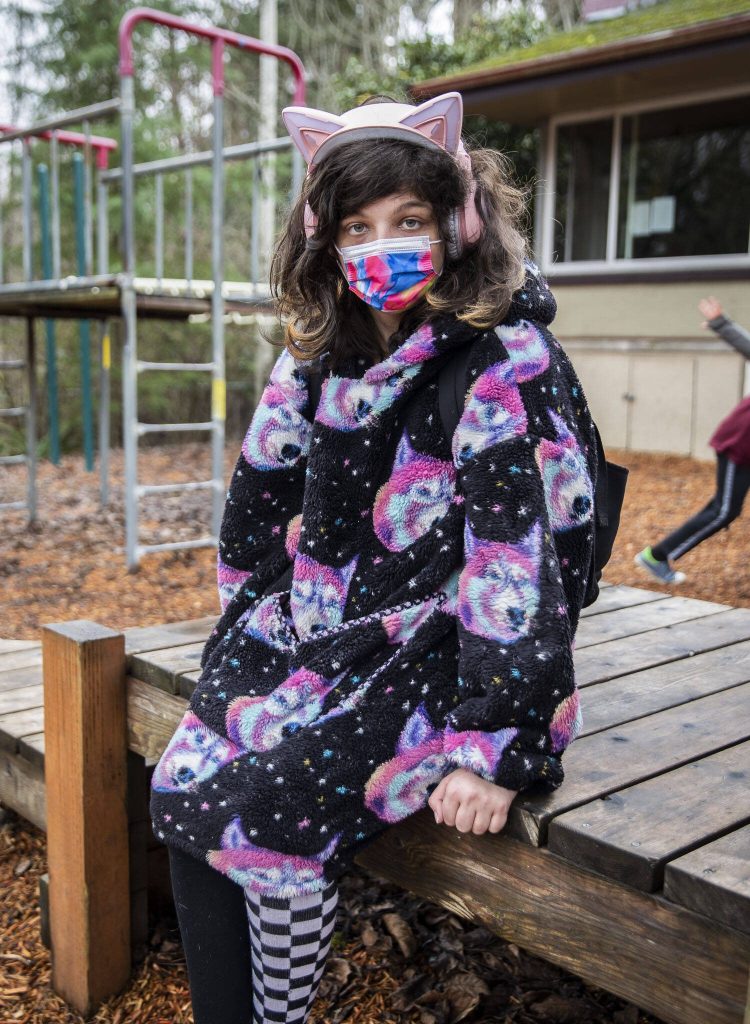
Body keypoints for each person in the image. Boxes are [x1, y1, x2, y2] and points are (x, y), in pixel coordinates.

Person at [149, 91, 597, 1024]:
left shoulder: (502, 359)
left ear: (458, 223)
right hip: (324, 626)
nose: (379, 244)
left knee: (264, 823)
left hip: (445, 647)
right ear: (323, 236)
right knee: (180, 786)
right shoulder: (315, 356)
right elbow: (257, 507)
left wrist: (494, 743)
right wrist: (254, 627)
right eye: (357, 225)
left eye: (407, 220)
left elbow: (525, 559)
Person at [636, 296, 750, 585]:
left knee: (726, 509)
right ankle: (657, 556)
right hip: (740, 443)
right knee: (724, 510)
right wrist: (721, 324)